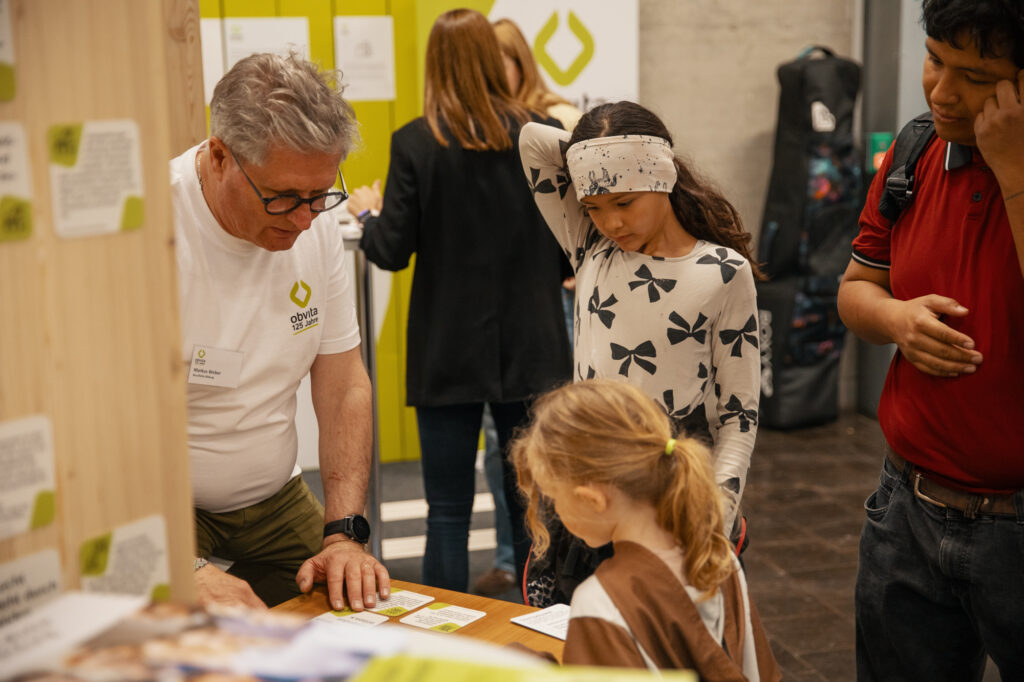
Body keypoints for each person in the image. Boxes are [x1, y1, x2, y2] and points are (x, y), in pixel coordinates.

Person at [344, 9, 571, 592]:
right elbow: (568, 247)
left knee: (446, 511)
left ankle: (445, 632)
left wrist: (366, 216)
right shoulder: (542, 133)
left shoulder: (416, 142)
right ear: (492, 57)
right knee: (531, 507)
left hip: (447, 347)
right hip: (533, 343)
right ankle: (537, 620)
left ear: (435, 64)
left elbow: (391, 251)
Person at [837, 1, 1024, 679]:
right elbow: (856, 290)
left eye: (975, 77)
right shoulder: (915, 152)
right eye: (935, 60)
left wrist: (1013, 170)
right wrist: (896, 320)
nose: (942, 92)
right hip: (907, 507)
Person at [518, 101, 762, 606]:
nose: (610, 221)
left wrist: (713, 520)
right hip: (587, 502)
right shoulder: (588, 247)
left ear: (663, 176)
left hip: (672, 506)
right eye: (593, 206)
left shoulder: (723, 272)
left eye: (624, 202)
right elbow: (531, 142)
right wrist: (594, 158)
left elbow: (739, 414)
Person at [170, 52, 389, 611]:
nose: (303, 219)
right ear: (220, 156)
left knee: (350, 606)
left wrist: (345, 533)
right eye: (284, 197)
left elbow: (343, 383)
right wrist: (180, 566)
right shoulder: (154, 228)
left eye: (320, 196)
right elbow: (104, 423)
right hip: (160, 502)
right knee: (185, 633)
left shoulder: (313, 222)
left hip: (274, 497)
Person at [511, 379, 780, 678]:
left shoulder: (600, 601)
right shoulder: (719, 557)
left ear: (592, 499)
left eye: (553, 498)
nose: (555, 512)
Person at [469, 17, 585, 599]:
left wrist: (577, 268)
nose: (491, 76)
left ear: (520, 64)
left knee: (545, 436)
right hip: (510, 308)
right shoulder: (483, 127)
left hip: (551, 303)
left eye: (502, 63)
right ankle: (510, 556)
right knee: (503, 445)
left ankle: (551, 557)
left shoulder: (554, 121)